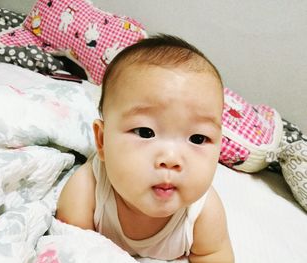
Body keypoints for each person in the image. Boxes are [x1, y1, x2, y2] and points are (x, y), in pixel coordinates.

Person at [56, 34, 234, 262]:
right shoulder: (85, 192)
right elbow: (71, 252)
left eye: (198, 138)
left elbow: (214, 254)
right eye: (145, 132)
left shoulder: (203, 214)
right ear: (102, 142)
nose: (171, 159)